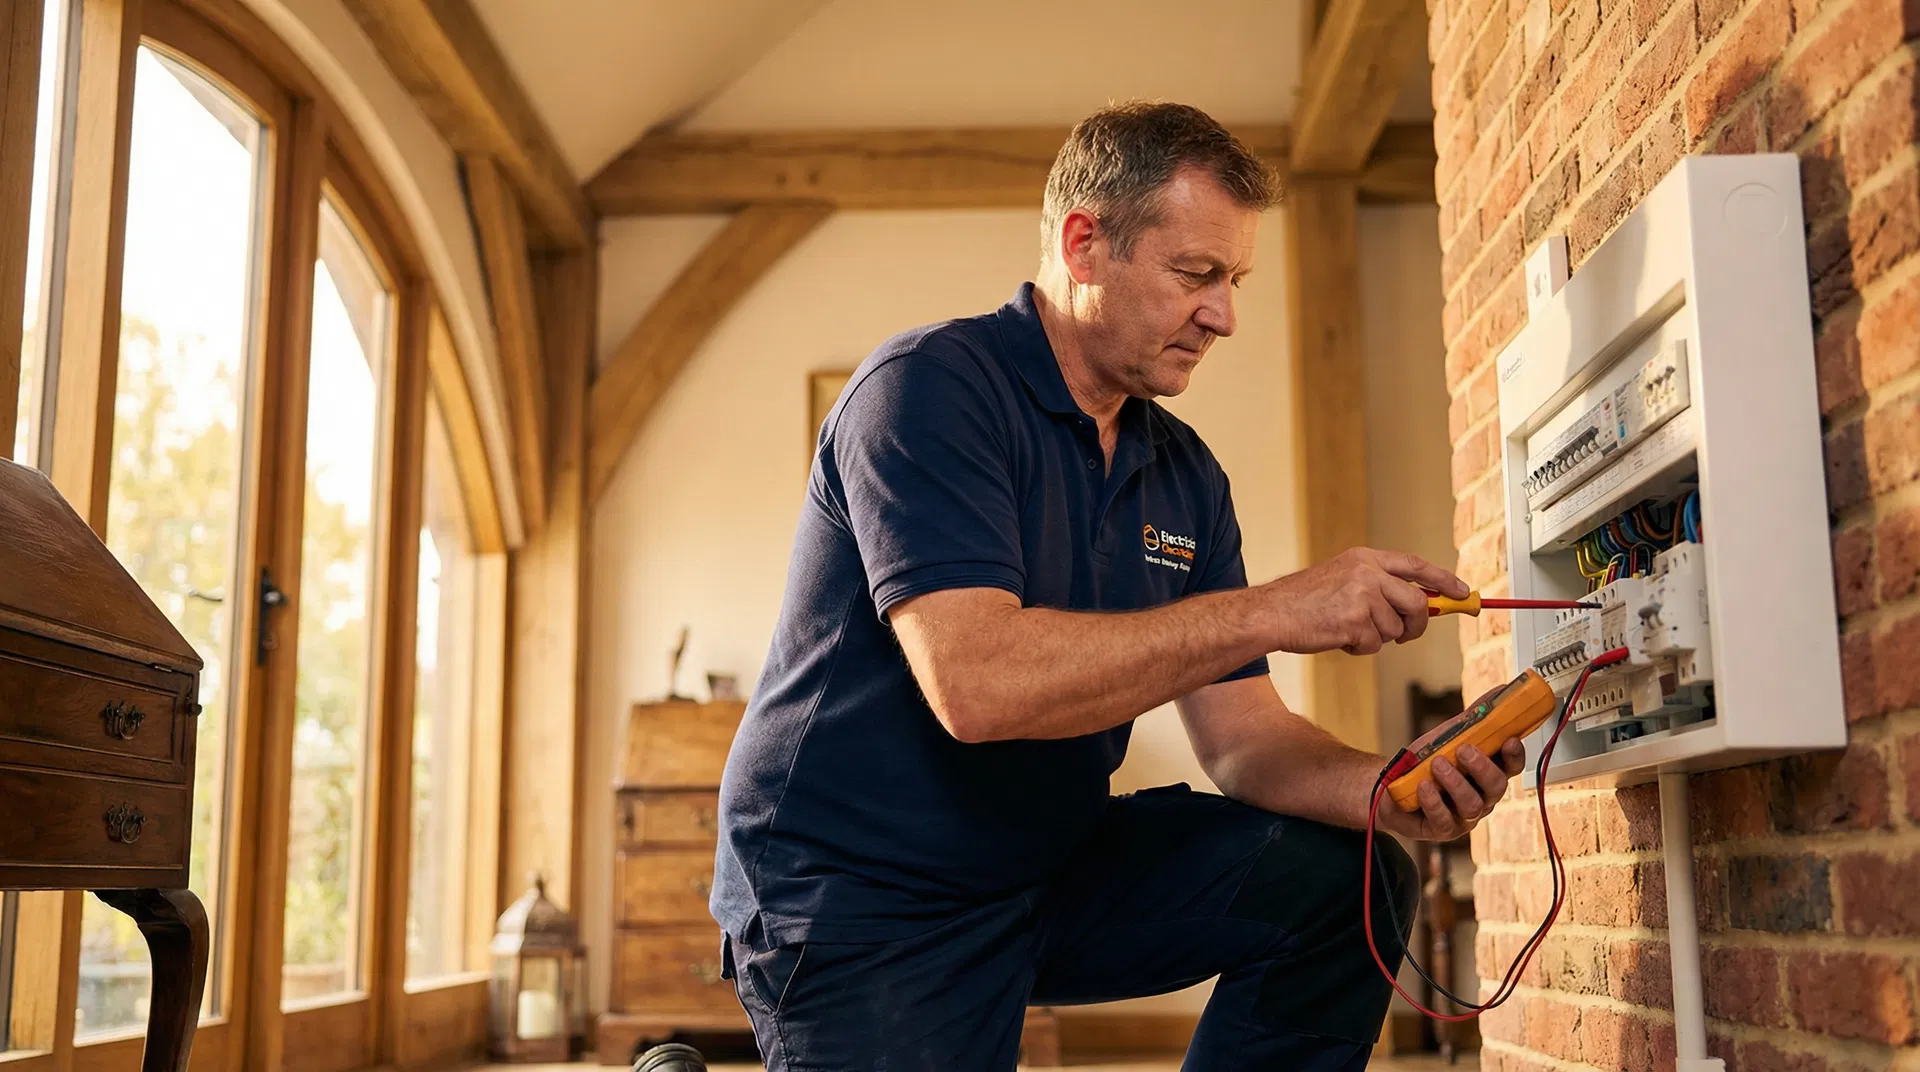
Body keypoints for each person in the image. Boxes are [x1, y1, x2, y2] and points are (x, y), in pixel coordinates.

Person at [710, 101, 1525, 1072]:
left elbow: (1247, 739)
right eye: (1197, 274)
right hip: (861, 895)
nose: (1224, 313)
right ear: (1085, 243)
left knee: (1350, 878)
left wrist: (1385, 788)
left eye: (1233, 280)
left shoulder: (1182, 472)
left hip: (1047, 865)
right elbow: (978, 686)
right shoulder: (927, 391)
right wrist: (1281, 607)